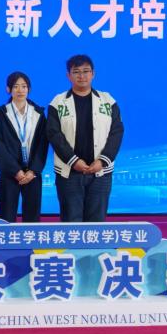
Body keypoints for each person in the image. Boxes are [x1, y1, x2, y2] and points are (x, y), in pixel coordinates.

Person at [46, 55, 124, 222]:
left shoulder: (107, 100)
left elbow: (116, 132)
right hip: (69, 172)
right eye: (76, 72)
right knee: (71, 222)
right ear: (68, 75)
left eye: (86, 71)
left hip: (100, 172)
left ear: (93, 74)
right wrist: (74, 161)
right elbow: (53, 134)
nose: (81, 76)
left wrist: (103, 160)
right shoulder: (58, 102)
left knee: (96, 222)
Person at [0, 71, 49, 223]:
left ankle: (31, 242)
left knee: (32, 218)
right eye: (15, 86)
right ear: (8, 89)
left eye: (24, 86)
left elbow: (43, 144)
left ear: (29, 89)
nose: (20, 90)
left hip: (32, 174)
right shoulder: (1, 113)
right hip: (10, 174)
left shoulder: (38, 113)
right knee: (6, 217)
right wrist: (15, 171)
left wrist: (34, 170)